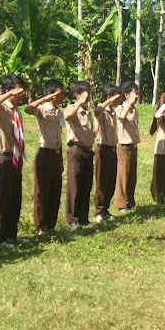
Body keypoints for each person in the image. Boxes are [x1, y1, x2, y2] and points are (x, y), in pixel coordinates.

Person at [0, 74, 28, 248]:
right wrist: (7, 94)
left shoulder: (17, 111)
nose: (21, 94)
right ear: (7, 91)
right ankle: (1, 237)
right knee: (3, 198)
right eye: (17, 90)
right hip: (4, 158)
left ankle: (12, 234)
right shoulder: (1, 108)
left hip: (16, 158)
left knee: (15, 198)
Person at [25, 79, 65, 234]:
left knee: (55, 189)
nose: (62, 97)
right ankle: (40, 225)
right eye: (59, 94)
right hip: (45, 153)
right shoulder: (41, 109)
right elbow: (28, 109)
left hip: (57, 153)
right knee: (42, 190)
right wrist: (44, 99)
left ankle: (51, 224)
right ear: (51, 94)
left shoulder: (59, 112)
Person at [64, 81, 94, 231]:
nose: (89, 96)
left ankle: (83, 218)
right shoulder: (72, 109)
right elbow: (67, 117)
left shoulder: (88, 112)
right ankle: (72, 220)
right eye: (86, 92)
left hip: (88, 151)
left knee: (86, 186)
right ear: (77, 94)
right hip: (76, 151)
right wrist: (78, 104)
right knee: (74, 186)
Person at [94, 83, 121, 222]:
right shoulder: (102, 111)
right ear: (109, 97)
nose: (119, 100)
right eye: (116, 97)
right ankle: (98, 211)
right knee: (101, 181)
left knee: (111, 181)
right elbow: (97, 111)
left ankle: (106, 209)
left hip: (112, 150)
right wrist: (108, 101)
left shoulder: (113, 112)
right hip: (102, 149)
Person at [115, 81, 140, 214]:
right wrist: (129, 104)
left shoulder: (135, 110)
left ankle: (130, 201)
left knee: (132, 176)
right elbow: (121, 117)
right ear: (126, 95)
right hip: (124, 146)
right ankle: (121, 204)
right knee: (123, 175)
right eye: (134, 94)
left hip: (133, 146)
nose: (137, 97)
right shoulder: (120, 108)